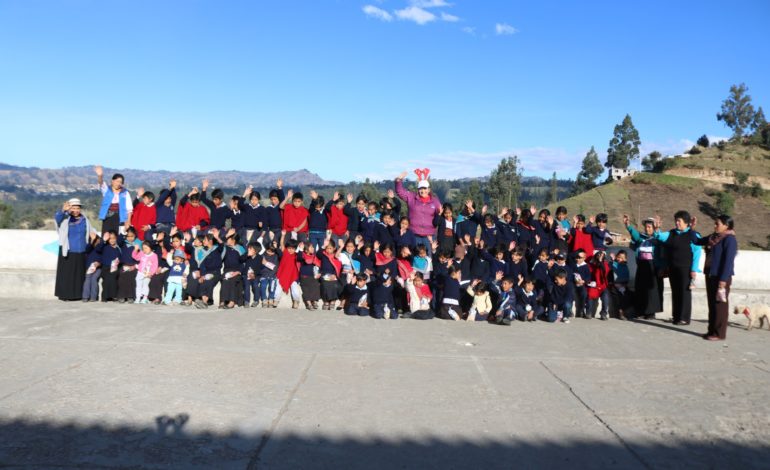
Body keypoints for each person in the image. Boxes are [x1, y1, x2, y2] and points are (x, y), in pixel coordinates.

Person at [653, 211, 702, 325]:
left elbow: (697, 253)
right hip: (673, 268)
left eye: (679, 221)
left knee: (684, 293)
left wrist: (694, 269)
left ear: (686, 223)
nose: (677, 223)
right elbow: (660, 236)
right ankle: (676, 316)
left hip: (686, 268)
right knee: (675, 292)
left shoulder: (693, 235)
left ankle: (684, 318)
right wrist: (657, 229)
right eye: (676, 220)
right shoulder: (672, 233)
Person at [694, 215, 737, 341]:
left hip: (721, 277)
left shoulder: (729, 240)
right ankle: (711, 330)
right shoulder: (713, 237)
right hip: (711, 274)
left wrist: (723, 280)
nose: (714, 226)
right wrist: (692, 228)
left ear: (726, 225)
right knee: (712, 305)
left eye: (717, 224)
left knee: (720, 306)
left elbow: (728, 261)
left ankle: (720, 333)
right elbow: (697, 241)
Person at [54, 198, 95, 301]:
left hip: (81, 251)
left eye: (77, 208)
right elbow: (57, 219)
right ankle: (66, 295)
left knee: (79, 275)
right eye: (73, 208)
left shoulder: (84, 219)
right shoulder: (65, 218)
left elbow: (90, 229)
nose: (76, 210)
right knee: (67, 274)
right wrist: (63, 210)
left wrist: (94, 235)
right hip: (68, 251)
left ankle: (78, 295)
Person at [624, 215, 664, 320]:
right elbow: (635, 235)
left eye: (650, 227)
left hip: (653, 267)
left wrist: (657, 229)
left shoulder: (658, 238)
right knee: (641, 288)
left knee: (652, 291)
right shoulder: (641, 238)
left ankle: (651, 312)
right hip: (642, 266)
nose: (647, 229)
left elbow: (661, 241)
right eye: (646, 227)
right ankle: (642, 310)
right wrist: (628, 225)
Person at [394, 169, 441, 256]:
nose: (423, 191)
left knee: (428, 259)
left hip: (429, 236)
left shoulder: (435, 201)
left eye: (425, 188)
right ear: (418, 189)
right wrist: (398, 180)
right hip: (414, 235)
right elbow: (400, 192)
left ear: (429, 189)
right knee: (415, 259)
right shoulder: (412, 197)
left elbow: (440, 216)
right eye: (421, 189)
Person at [95, 165, 133, 235]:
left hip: (120, 217)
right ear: (112, 181)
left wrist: (128, 221)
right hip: (108, 216)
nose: (118, 183)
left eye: (120, 182)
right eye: (117, 181)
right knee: (106, 235)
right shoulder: (107, 190)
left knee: (117, 236)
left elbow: (129, 209)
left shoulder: (125, 193)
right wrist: (100, 176)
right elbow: (101, 183)